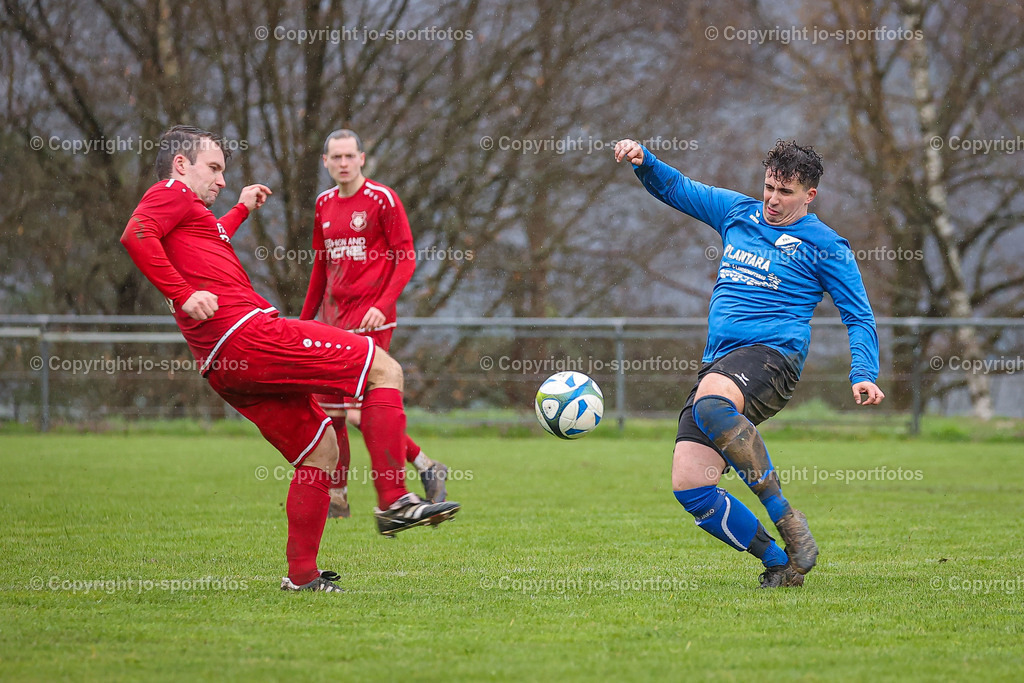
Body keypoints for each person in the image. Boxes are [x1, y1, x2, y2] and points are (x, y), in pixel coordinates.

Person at [121, 125, 460, 593]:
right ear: (182, 165)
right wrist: (182, 294)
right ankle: (394, 499)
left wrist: (241, 207)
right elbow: (135, 233)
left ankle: (302, 576)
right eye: (214, 168)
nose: (221, 180)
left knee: (321, 451)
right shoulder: (170, 192)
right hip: (249, 335)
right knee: (385, 369)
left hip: (223, 366)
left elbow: (213, 237)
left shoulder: (191, 215)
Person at [614, 138, 884, 588]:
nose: (773, 200)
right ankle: (783, 563)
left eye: (786, 193)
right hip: (720, 364)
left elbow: (858, 315)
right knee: (691, 487)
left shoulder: (827, 245)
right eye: (769, 188)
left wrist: (864, 373)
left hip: (773, 360)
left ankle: (787, 519)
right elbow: (677, 188)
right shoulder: (737, 213)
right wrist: (646, 160)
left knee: (711, 402)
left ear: (809, 196)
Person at [300, 129, 448, 519]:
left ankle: (403, 480)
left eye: (350, 156)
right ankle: (341, 494)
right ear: (326, 162)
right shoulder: (323, 204)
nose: (344, 163)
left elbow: (407, 256)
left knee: (358, 408)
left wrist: (383, 304)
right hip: (332, 321)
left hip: (371, 318)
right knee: (330, 407)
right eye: (337, 157)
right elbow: (320, 266)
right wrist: (303, 322)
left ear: (362, 158)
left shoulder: (382, 200)